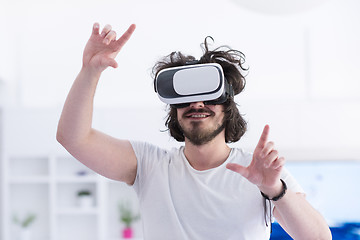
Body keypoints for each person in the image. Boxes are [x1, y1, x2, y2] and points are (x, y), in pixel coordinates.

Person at [56, 23, 332, 240]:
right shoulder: (150, 165)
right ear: (174, 111)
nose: (197, 104)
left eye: (209, 96)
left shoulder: (262, 172)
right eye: (186, 98)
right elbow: (73, 138)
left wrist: (273, 188)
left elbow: (319, 237)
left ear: (227, 107)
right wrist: (90, 71)